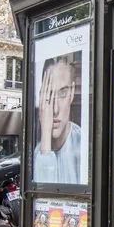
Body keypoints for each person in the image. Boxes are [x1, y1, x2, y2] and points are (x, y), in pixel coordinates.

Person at [33, 55, 81, 184]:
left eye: (62, 93)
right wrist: (46, 135)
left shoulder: (82, 144)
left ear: (71, 93)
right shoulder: (39, 151)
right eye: (48, 94)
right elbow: (42, 191)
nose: (54, 109)